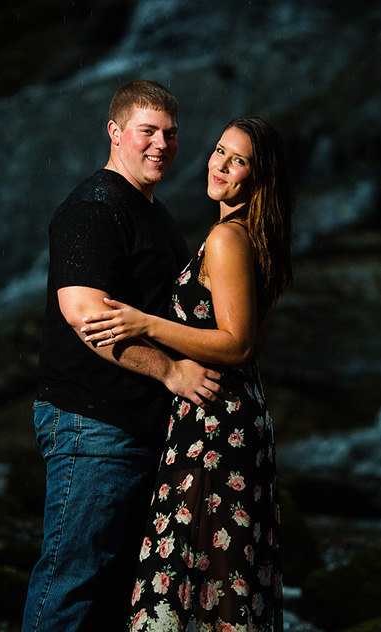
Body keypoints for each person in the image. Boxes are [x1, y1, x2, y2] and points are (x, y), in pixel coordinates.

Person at [23, 79, 226, 632]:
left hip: (133, 426)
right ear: (115, 133)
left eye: (171, 133)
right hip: (93, 423)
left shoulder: (150, 211)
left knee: (112, 590)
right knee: (73, 580)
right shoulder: (93, 207)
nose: (161, 144)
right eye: (147, 132)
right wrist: (172, 371)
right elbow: (85, 313)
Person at [82, 116, 292, 630]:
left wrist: (144, 322)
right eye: (219, 150)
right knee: (221, 584)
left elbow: (238, 344)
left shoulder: (226, 239)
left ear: (258, 176)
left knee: (189, 583)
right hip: (233, 421)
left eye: (237, 159)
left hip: (215, 430)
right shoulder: (254, 237)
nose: (219, 165)